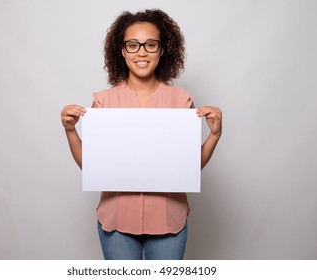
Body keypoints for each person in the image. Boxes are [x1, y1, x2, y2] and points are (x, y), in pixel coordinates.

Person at [61, 9, 222, 260]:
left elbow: (189, 168)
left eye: (150, 44)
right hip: (116, 220)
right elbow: (91, 166)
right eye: (133, 45)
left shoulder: (182, 100)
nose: (142, 52)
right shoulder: (103, 102)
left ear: (162, 49)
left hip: (169, 220)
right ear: (122, 50)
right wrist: (70, 131)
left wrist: (213, 135)